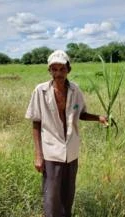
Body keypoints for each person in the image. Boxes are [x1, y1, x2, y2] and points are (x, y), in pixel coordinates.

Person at [25, 50, 108, 217]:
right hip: (51, 151)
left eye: (62, 69)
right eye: (54, 69)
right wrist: (38, 155)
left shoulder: (75, 90)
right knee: (51, 196)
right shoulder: (40, 91)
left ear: (68, 70)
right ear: (49, 71)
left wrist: (99, 117)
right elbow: (36, 121)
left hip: (71, 151)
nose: (58, 73)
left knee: (68, 194)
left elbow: (81, 114)